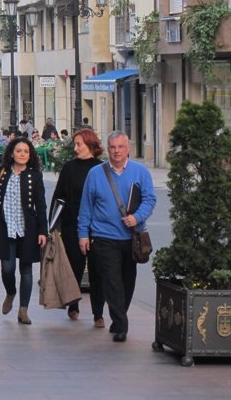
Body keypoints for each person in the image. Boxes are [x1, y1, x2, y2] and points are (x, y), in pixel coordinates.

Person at [78, 130, 156, 342]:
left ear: (127, 147)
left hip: (131, 238)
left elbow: (150, 199)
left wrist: (137, 217)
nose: (117, 151)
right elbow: (86, 206)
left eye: (121, 147)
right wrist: (83, 234)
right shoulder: (95, 173)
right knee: (111, 281)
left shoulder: (140, 172)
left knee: (127, 281)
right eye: (112, 147)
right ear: (107, 148)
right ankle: (121, 324)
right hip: (104, 237)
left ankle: (119, 316)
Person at [0, 137, 48, 325]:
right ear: (11, 153)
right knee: (7, 268)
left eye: (26, 152)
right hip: (5, 227)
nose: (22, 154)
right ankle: (10, 292)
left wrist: (42, 231)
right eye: (18, 151)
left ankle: (23, 309)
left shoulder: (34, 176)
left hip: (27, 229)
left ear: (30, 155)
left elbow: (41, 205)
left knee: (26, 269)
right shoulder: (2, 172)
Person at [50, 128, 105, 327]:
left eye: (79, 144)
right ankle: (73, 304)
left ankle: (98, 313)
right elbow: (59, 196)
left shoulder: (100, 169)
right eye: (75, 144)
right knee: (74, 267)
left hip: (96, 227)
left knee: (98, 271)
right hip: (72, 225)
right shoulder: (69, 168)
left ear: (90, 145)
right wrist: (53, 224)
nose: (75, 148)